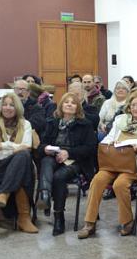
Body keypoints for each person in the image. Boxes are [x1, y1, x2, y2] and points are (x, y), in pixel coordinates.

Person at [77, 89, 137, 239]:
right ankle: (89, 223)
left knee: (120, 185)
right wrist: (111, 143)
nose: (135, 108)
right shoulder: (121, 120)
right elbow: (107, 138)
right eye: (133, 105)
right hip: (114, 162)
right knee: (97, 181)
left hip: (135, 164)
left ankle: (127, 221)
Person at [36, 92, 96, 235]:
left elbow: (90, 148)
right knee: (46, 160)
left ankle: (58, 217)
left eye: (73, 103)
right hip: (54, 158)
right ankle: (45, 195)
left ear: (78, 107)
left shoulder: (85, 124)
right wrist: (45, 148)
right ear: (61, 105)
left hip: (76, 162)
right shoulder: (52, 122)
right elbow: (41, 144)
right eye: (66, 102)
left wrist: (69, 153)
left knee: (59, 177)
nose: (69, 104)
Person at [0, 93, 37, 233]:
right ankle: (24, 218)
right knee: (22, 163)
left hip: (16, 163)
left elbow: (27, 147)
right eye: (5, 104)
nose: (8, 108)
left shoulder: (26, 124)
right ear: (0, 107)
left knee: (23, 156)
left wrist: (1, 146)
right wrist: (12, 146)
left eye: (12, 105)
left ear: (17, 108)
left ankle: (4, 193)